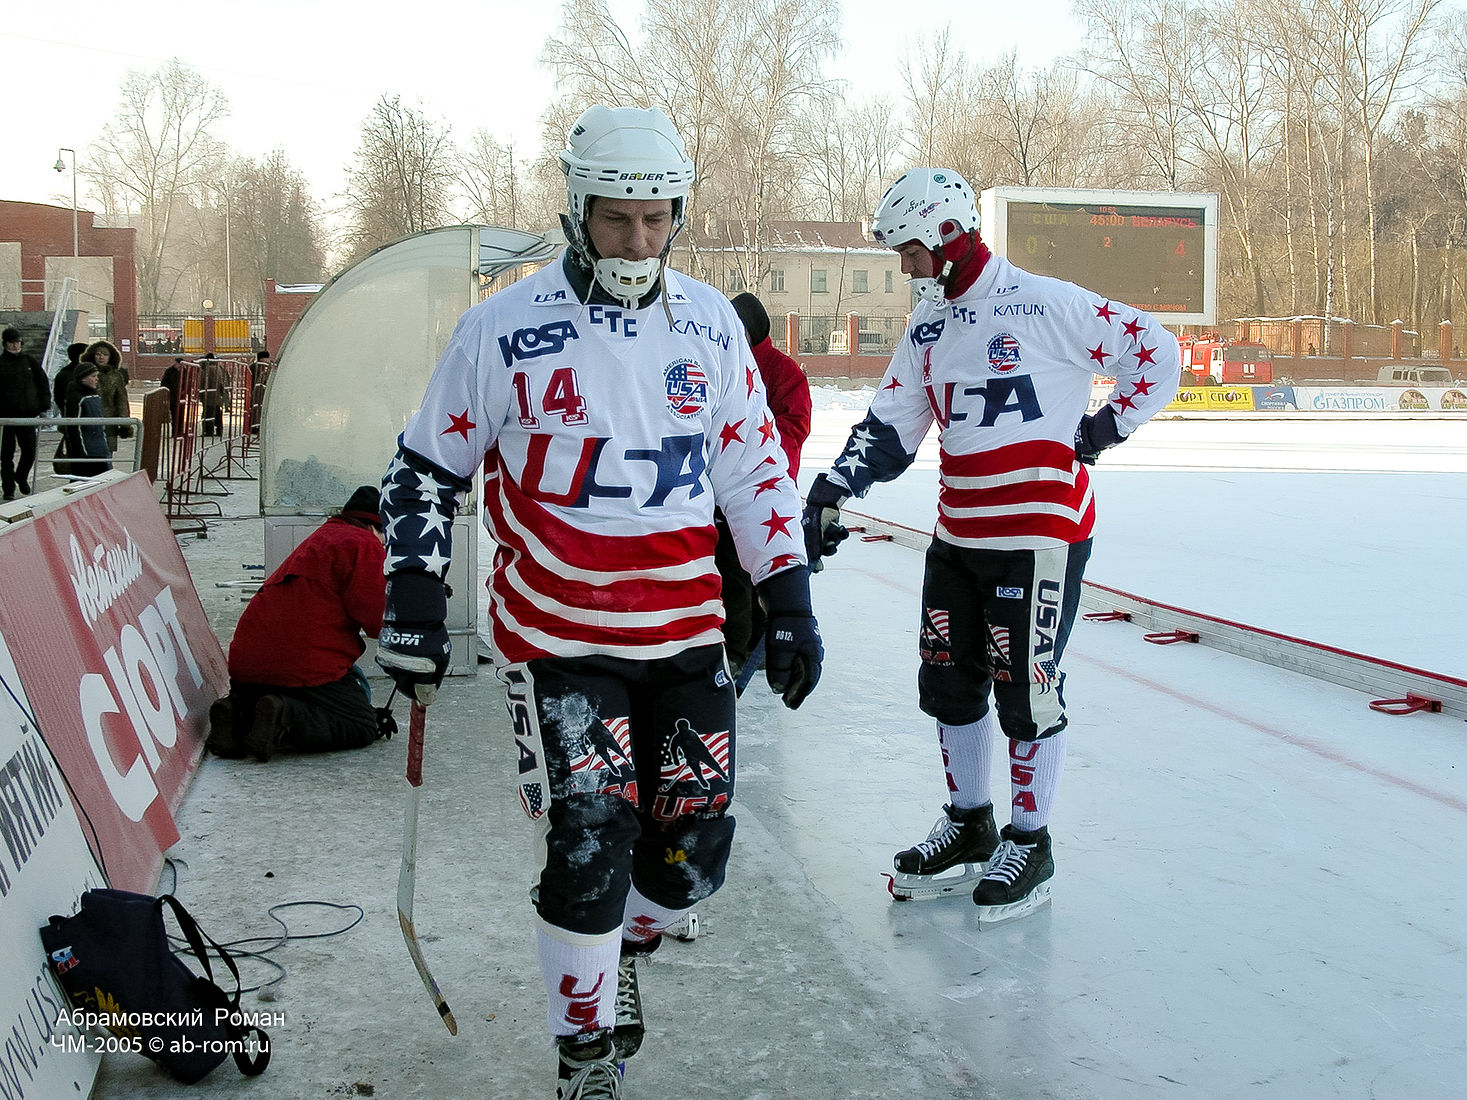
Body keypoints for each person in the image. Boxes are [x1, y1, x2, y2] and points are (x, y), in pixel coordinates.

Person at [374, 105, 823, 1099]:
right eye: (617, 219)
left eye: (657, 219)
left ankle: (623, 945)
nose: (637, 241)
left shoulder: (708, 322)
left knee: (690, 852)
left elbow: (753, 472)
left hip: (685, 631)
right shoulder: (503, 327)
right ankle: (584, 1055)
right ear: (576, 211)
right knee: (589, 838)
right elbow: (423, 470)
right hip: (557, 639)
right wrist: (413, 595)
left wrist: (789, 600)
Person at [803, 168, 1180, 922]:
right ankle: (970, 824)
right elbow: (891, 425)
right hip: (958, 536)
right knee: (948, 684)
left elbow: (1158, 351)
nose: (905, 267)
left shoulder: (1048, 303)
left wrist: (1105, 427)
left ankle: (1030, 840)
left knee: (1025, 693)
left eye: (911, 251)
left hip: (1038, 538)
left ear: (948, 235)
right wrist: (833, 487)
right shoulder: (929, 325)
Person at [207, 486, 390, 762]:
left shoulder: (321, 538)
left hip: (247, 663)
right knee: (361, 724)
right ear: (375, 527)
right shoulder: (364, 544)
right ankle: (287, 719)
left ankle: (237, 715)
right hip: (305, 664)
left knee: (263, 699)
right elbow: (378, 621)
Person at [718, 291, 812, 672]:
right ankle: (741, 642)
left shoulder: (782, 371)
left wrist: (763, 462)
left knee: (753, 572)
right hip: (726, 488)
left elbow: (794, 425)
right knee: (731, 571)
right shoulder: (724, 363)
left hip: (764, 487)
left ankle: (743, 649)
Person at [0, 327, 51, 500]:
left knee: (29, 450)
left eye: (17, 342)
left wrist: (43, 405)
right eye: (12, 343)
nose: (15, 346)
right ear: (5, 344)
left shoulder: (29, 361)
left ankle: (21, 476)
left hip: (28, 415)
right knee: (5, 455)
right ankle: (8, 488)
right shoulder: (1, 363)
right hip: (5, 418)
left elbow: (42, 382)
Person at [59, 362, 113, 478]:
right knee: (83, 481)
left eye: (97, 376)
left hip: (100, 449)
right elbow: (73, 428)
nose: (97, 379)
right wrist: (80, 451)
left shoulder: (95, 396)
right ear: (83, 378)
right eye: (93, 376)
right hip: (85, 451)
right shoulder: (76, 397)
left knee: (102, 480)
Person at [80, 340, 133, 456]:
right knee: (87, 456)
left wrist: (125, 424)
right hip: (87, 421)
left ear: (111, 357)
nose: (101, 357)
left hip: (109, 422)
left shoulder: (115, 376)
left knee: (106, 457)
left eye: (105, 354)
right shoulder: (83, 374)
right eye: (98, 354)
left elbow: (121, 401)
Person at [198, 353, 229, 437]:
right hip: (217, 395)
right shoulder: (218, 368)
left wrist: (201, 393)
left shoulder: (208, 369)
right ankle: (219, 430)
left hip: (208, 395)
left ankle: (208, 430)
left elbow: (204, 382)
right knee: (217, 413)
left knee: (208, 413)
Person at [160, 356, 184, 434]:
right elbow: (164, 383)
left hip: (181, 396)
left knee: (180, 414)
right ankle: (175, 431)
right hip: (172, 396)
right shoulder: (170, 371)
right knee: (174, 414)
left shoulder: (184, 371)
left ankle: (180, 431)